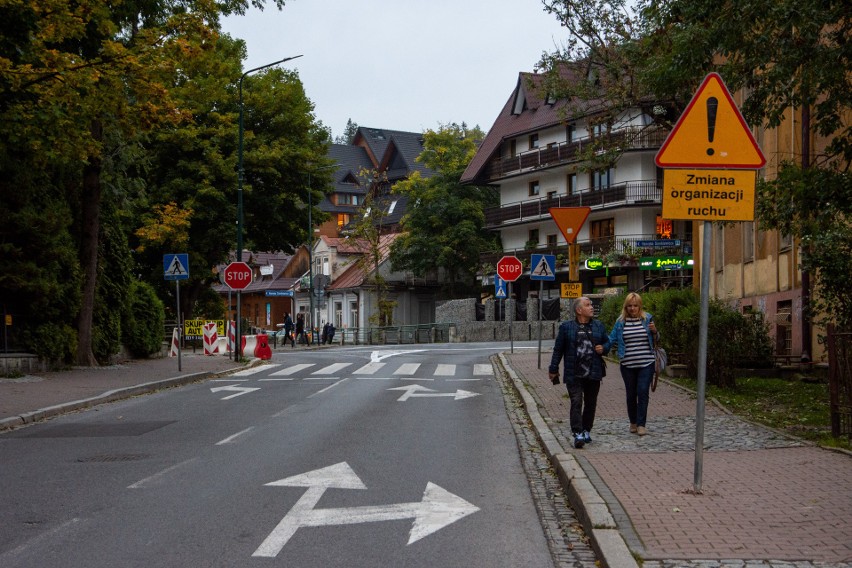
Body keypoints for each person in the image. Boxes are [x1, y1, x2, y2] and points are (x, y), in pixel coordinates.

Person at [548, 296, 610, 449]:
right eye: (587, 305)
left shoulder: (598, 326)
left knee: (590, 403)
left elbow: (607, 342)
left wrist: (604, 348)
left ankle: (586, 430)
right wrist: (553, 368)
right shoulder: (566, 327)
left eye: (591, 305)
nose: (591, 307)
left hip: (593, 372)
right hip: (573, 372)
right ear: (579, 310)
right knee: (576, 401)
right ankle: (577, 433)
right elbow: (558, 349)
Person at [608, 292, 658, 436]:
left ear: (640, 306)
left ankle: (641, 424)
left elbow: (656, 338)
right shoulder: (620, 322)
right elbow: (612, 339)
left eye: (635, 306)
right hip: (627, 364)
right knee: (631, 394)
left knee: (642, 391)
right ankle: (633, 422)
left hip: (646, 362)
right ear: (626, 307)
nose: (632, 308)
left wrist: (655, 331)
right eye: (629, 306)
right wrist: (601, 347)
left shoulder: (647, 318)